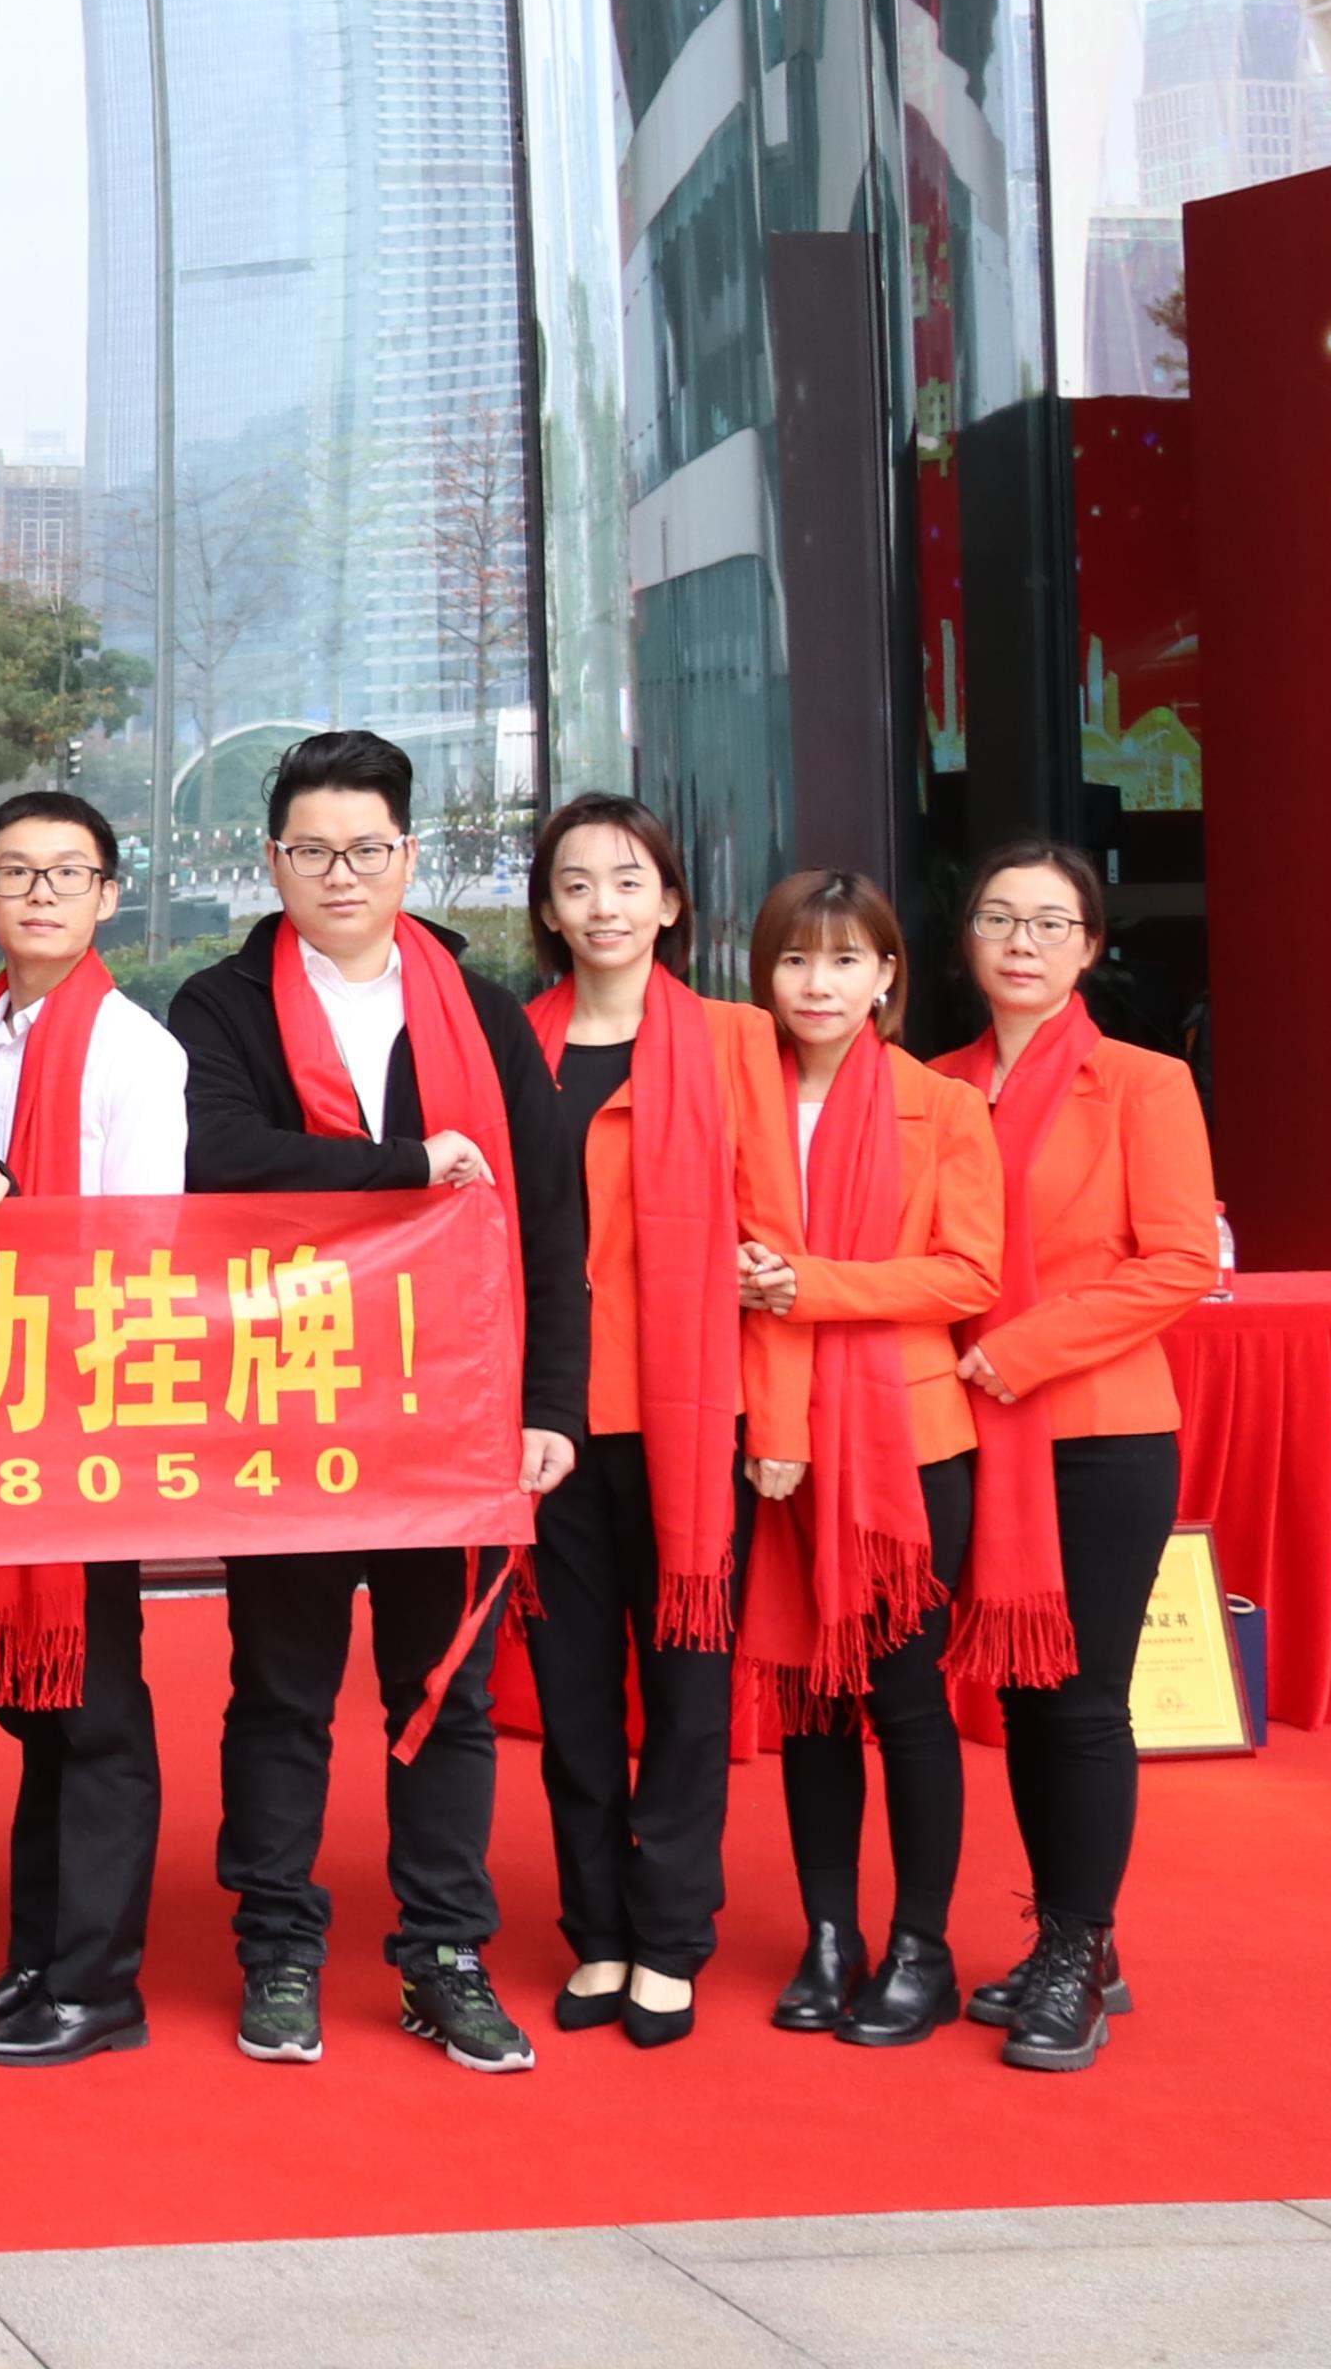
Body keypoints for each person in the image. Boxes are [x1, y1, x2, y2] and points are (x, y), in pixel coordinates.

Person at [165, 726, 590, 2074]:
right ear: (272, 860)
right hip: (288, 1399)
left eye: (364, 849)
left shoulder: (483, 1011)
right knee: (281, 1692)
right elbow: (217, 1158)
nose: (338, 873)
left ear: (409, 856)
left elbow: (547, 1216)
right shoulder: (222, 1005)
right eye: (311, 850)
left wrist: (551, 1403)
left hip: (449, 1404)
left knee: (442, 1693)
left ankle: (444, 1953)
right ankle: (280, 1950)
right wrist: (408, 1163)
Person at [927, 841, 1222, 2072]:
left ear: (1090, 948)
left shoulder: (1145, 1083)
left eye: (1052, 923)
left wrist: (1022, 1350)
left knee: (1082, 1698)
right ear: (968, 941)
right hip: (963, 1430)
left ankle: (1079, 1947)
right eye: (1001, 919)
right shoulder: (932, 1084)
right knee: (1016, 1695)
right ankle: (1067, 1939)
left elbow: (1181, 1260)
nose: (1024, 942)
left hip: (1099, 1432)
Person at [0, 793, 191, 2068]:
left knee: (95, 1710)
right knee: (35, 1702)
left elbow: (147, 1244)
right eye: (15, 873)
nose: (39, 894)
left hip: (80, 1410)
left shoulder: (136, 1050)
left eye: (66, 874)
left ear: (107, 897)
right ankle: (39, 1955)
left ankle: (98, 1987)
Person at [512, 793, 778, 2051]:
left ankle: (670, 1935)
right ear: (548, 909)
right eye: (577, 885)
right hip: (549, 1426)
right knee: (571, 1697)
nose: (603, 906)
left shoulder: (734, 1041)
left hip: (694, 1417)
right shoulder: (517, 1044)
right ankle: (599, 1929)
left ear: (670, 902)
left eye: (628, 882)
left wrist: (776, 1413)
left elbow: (772, 1237)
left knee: (685, 1689)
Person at [733, 870, 1002, 2045]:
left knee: (903, 1697)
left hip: (907, 1441)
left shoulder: (941, 1106)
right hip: (775, 1440)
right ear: (765, 975)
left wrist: (807, 1287)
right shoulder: (738, 1099)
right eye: (796, 959)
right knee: (809, 1698)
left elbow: (967, 1275)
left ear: (887, 974)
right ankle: (830, 1936)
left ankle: (923, 1948)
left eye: (846, 959)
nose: (819, 983)